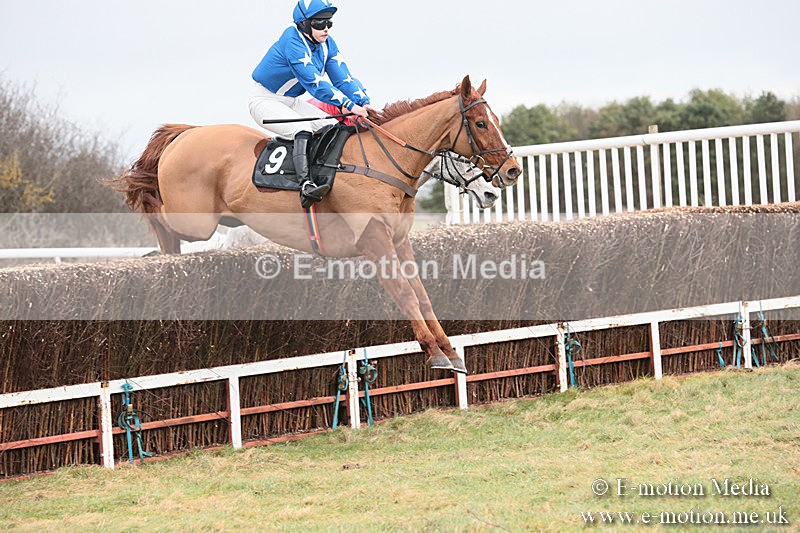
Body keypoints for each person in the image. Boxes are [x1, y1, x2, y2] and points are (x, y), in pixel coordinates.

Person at [250, 0, 374, 207]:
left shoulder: (327, 43)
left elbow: (343, 78)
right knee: (303, 129)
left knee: (332, 128)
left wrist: (363, 101)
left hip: (290, 101)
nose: (326, 28)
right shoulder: (292, 40)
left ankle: (326, 176)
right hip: (263, 100)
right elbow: (314, 83)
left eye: (329, 23)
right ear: (304, 24)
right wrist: (349, 106)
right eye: (319, 23)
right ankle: (305, 185)